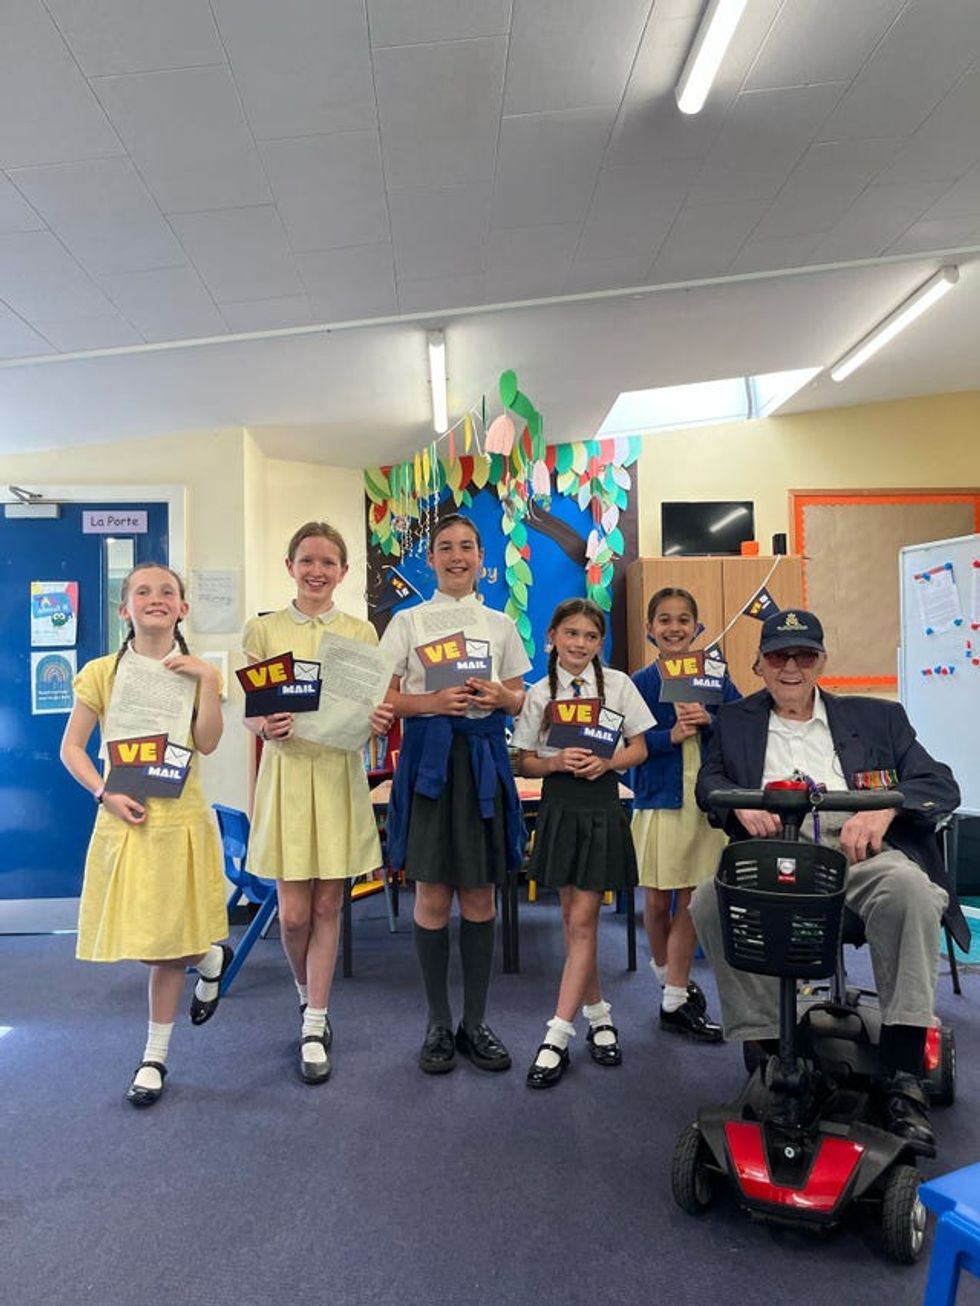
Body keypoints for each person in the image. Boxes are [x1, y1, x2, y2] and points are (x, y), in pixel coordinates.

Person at [690, 607, 966, 1156]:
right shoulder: (735, 721)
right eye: (778, 656)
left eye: (804, 655)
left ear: (821, 662)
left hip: (858, 853)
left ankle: (901, 1075)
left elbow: (939, 783)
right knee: (708, 902)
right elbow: (709, 783)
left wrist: (883, 811)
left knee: (908, 890)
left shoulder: (879, 718)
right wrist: (739, 808)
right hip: (776, 855)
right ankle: (777, 1051)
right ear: (759, 664)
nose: (791, 667)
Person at [60, 563, 230, 1108]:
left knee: (163, 948)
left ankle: (154, 1057)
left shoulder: (199, 673)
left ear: (182, 608)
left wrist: (208, 681)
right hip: (126, 818)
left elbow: (207, 743)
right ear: (124, 609)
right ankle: (209, 958)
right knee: (146, 937)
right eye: (142, 591)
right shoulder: (101, 674)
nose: (155, 598)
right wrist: (103, 793)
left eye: (167, 592)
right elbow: (71, 748)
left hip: (180, 821)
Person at [243, 522, 393, 1085]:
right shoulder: (264, 630)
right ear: (290, 566)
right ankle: (305, 993)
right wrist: (265, 725)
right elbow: (251, 713)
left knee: (328, 907)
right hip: (286, 776)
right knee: (293, 914)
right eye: (307, 560)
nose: (317, 571)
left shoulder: (360, 631)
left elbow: (367, 705)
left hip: (336, 774)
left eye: (328, 562)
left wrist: (378, 718)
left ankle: (315, 1021)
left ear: (343, 572)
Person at [380, 513, 530, 1075]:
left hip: (483, 760)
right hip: (430, 762)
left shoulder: (500, 624)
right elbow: (385, 697)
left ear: (481, 558)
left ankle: (476, 1021)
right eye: (445, 547)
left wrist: (499, 697)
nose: (456, 556)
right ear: (431, 559)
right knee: (433, 895)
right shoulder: (408, 622)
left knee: (480, 896)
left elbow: (519, 696)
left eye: (467, 547)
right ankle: (438, 1022)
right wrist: (432, 703)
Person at [512, 598, 654, 1087]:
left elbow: (640, 747)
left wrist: (608, 762)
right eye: (571, 633)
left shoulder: (618, 685)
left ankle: (556, 1035)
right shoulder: (538, 693)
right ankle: (599, 1015)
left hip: (600, 804)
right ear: (552, 636)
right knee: (576, 924)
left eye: (591, 636)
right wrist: (553, 762)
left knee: (582, 921)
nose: (580, 643)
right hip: (559, 806)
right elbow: (523, 760)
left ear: (600, 643)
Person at [630, 587, 740, 1041]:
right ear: (650, 629)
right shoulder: (640, 683)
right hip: (660, 799)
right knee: (656, 901)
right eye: (664, 620)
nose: (674, 628)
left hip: (704, 802)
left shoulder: (715, 676)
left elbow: (742, 725)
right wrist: (668, 736)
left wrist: (711, 722)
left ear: (697, 628)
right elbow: (626, 744)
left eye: (683, 620)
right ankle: (669, 979)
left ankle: (675, 996)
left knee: (693, 900)